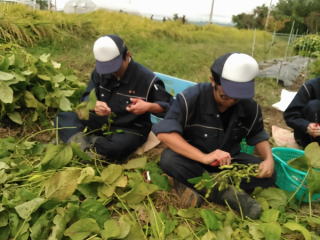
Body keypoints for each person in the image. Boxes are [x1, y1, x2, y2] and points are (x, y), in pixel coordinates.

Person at [152, 52, 275, 219]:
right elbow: (165, 134)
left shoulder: (249, 106)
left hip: (228, 162)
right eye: (224, 96)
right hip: (193, 159)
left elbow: (258, 134)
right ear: (212, 81)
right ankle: (231, 196)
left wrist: (268, 159)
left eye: (236, 97)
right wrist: (204, 157)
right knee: (169, 159)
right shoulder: (191, 98)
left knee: (268, 173)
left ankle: (197, 185)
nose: (231, 101)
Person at [56, 34, 172, 160]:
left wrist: (149, 106)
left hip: (129, 129)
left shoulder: (147, 80)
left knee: (117, 147)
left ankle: (83, 146)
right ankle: (91, 148)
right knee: (62, 118)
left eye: (114, 67)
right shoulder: (99, 73)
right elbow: (85, 97)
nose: (111, 72)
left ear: (127, 55)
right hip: (100, 122)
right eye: (106, 68)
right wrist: (93, 105)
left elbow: (170, 108)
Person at [284, 78, 320, 148]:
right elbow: (290, 115)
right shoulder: (310, 86)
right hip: (306, 136)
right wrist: (306, 126)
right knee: (314, 106)